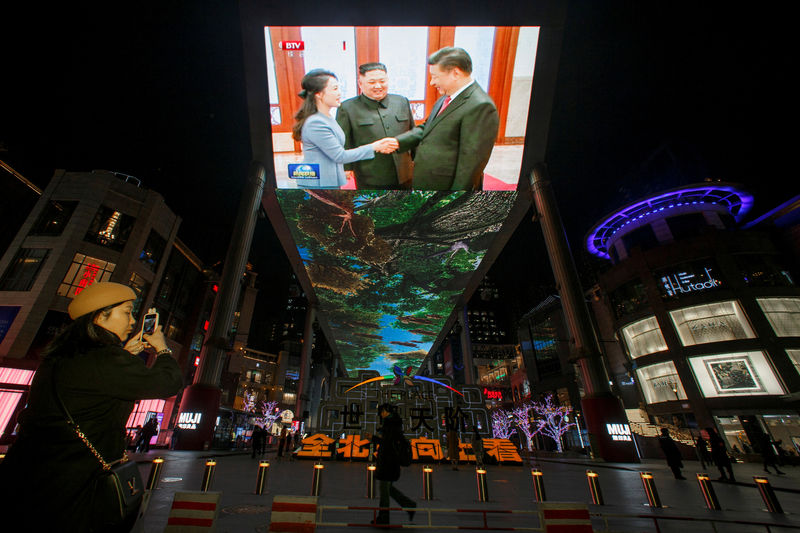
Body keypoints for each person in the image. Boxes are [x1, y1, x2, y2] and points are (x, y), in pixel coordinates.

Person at [0, 282, 183, 532]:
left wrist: (125, 356)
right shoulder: (106, 359)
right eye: (127, 311)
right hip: (77, 488)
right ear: (100, 315)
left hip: (26, 479)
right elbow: (168, 382)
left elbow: (93, 389)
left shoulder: (58, 358)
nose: (132, 321)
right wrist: (162, 348)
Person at [395, 47, 499, 190]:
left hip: (445, 188)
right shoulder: (448, 96)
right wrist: (397, 142)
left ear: (455, 73)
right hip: (427, 181)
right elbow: (428, 127)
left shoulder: (480, 106)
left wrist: (454, 199)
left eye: (436, 76)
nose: (432, 82)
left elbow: (470, 163)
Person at [292, 68, 397, 189]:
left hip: (329, 182)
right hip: (318, 185)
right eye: (335, 89)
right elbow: (339, 155)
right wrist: (374, 147)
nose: (339, 93)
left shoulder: (327, 117)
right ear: (319, 94)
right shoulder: (316, 123)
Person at [336, 62, 415, 189]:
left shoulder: (401, 101)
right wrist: (346, 167)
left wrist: (418, 159)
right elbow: (344, 140)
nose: (378, 86)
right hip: (370, 173)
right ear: (360, 84)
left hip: (404, 172)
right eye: (372, 82)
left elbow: (412, 133)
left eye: (382, 81)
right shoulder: (347, 108)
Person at [366, 403, 416, 526]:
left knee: (384, 491)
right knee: (389, 490)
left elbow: (386, 444)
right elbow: (388, 442)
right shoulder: (394, 424)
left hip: (388, 463)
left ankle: (384, 518)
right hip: (391, 462)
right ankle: (409, 505)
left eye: (382, 412)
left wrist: (373, 438)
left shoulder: (390, 425)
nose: (381, 414)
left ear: (387, 411)